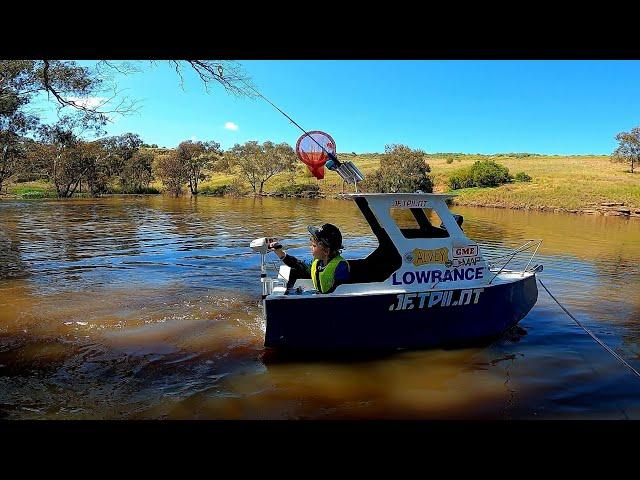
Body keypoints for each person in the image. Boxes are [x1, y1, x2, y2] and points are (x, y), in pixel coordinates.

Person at [269, 223, 350, 294]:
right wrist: (279, 252)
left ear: (326, 251)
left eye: (314, 246)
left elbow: (340, 293)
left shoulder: (341, 267)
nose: (310, 247)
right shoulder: (317, 262)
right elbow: (298, 264)